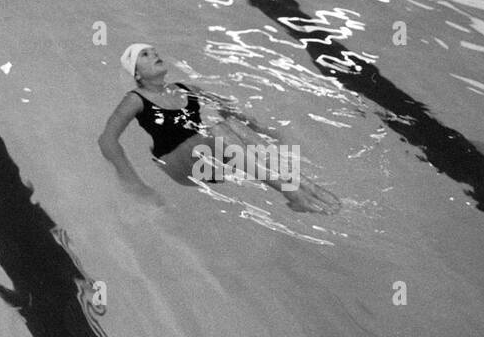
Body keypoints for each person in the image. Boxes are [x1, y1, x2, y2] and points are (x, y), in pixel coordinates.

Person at [99, 44, 340, 213]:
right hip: (179, 166)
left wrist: (267, 132)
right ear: (137, 73)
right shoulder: (136, 98)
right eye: (145, 54)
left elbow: (232, 112)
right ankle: (290, 191)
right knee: (220, 130)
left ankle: (306, 186)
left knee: (230, 125)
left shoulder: (184, 88)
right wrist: (135, 184)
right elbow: (107, 140)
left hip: (208, 161)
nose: (154, 54)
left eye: (154, 51)